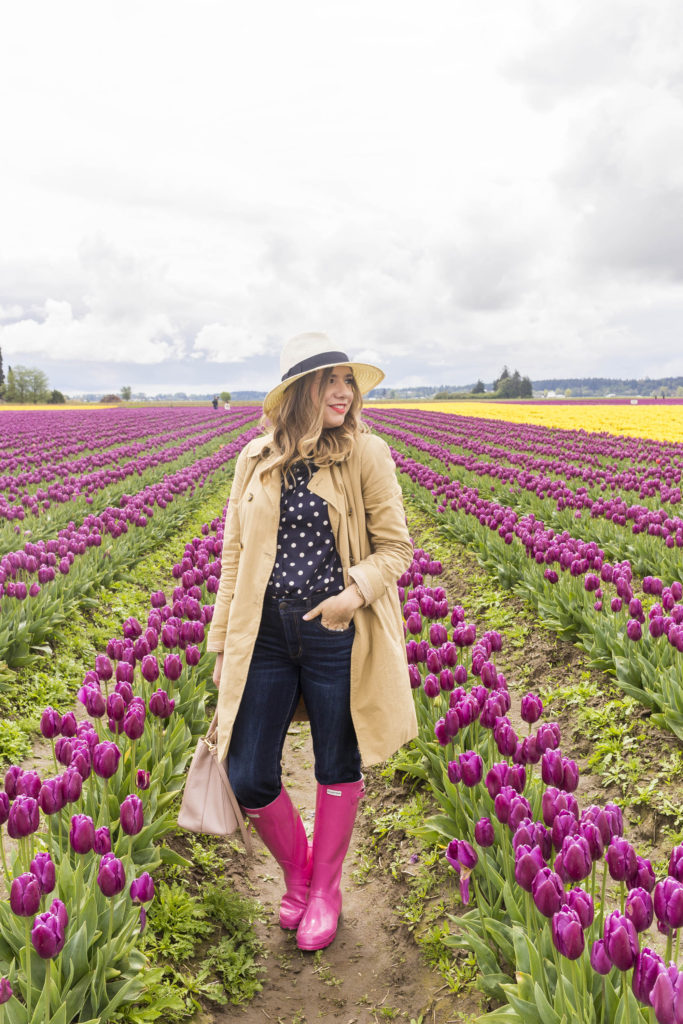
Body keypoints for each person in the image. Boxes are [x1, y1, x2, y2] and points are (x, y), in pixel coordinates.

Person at [206, 331, 418, 951]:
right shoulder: (256, 458)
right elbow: (233, 554)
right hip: (266, 634)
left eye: (349, 381)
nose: (345, 393)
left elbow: (397, 550)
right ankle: (298, 874)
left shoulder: (366, 455)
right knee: (246, 771)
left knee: (335, 760)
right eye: (332, 381)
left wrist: (352, 595)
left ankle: (325, 891)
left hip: (336, 631)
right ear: (301, 391)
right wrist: (223, 646)